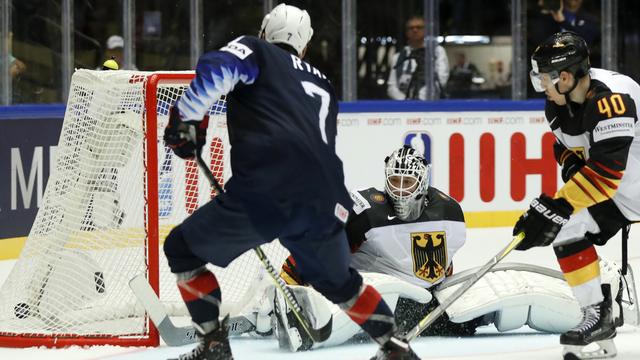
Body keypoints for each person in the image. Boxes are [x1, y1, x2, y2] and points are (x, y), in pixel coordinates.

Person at [162, 4, 420, 360]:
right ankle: (395, 347)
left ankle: (214, 347)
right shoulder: (322, 83)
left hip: (268, 187)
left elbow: (216, 68)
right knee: (341, 282)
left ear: (265, 32)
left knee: (181, 248)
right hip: (328, 198)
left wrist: (188, 118)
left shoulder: (256, 50)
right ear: (305, 46)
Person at [236, 146, 627, 351]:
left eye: (409, 183)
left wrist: (452, 293)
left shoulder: (449, 211)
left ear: (423, 183)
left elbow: (441, 268)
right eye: (396, 182)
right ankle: (278, 311)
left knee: (511, 298)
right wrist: (291, 282)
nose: (401, 190)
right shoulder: (363, 210)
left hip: (437, 307)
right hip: (380, 301)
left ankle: (599, 297)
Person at [514, 31, 640, 359]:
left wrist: (557, 204)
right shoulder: (558, 106)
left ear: (565, 77)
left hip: (620, 184)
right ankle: (597, 315)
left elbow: (606, 173)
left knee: (562, 216)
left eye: (544, 80)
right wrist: (564, 186)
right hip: (625, 193)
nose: (541, 87)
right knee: (566, 228)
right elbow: (566, 148)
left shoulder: (613, 98)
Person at [387, 16, 449, 100]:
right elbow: (392, 86)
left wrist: (420, 100)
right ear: (407, 32)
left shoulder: (437, 52)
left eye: (419, 27)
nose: (415, 30)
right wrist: (407, 101)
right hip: (405, 106)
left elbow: (441, 79)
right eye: (411, 28)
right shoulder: (398, 57)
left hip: (430, 103)